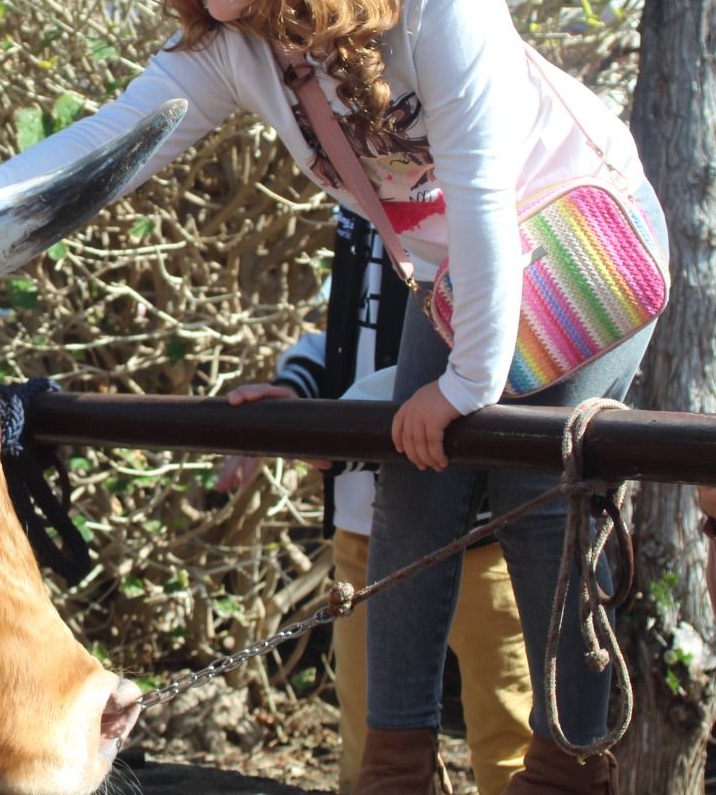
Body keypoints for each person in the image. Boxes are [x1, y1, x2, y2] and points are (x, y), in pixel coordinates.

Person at [0, 0, 666, 794]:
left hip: (585, 241)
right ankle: (394, 768)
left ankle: (570, 772)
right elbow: (102, 146)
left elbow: (485, 190)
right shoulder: (239, 46)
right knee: (408, 467)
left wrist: (464, 388)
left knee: (542, 481)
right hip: (468, 279)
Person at [222, 208, 532, 795]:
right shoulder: (359, 197)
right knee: (371, 749)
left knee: (512, 741)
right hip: (366, 522)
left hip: (482, 524)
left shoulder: (469, 186)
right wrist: (300, 393)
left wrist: (335, 430)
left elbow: (487, 346)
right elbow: (349, 333)